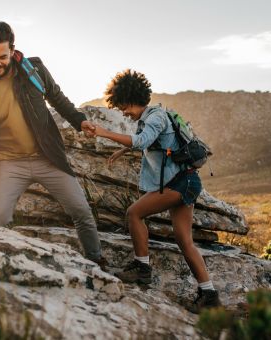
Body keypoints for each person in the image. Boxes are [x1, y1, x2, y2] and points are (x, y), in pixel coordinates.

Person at [0, 21, 106, 268]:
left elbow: (57, 98)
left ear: (12, 50)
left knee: (82, 211)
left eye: (2, 56)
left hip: (46, 158)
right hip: (7, 163)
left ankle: (96, 262)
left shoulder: (34, 71)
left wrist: (80, 121)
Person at [93, 69, 220, 309]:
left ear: (130, 99)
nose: (123, 112)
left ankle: (141, 268)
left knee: (134, 213)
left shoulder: (156, 117)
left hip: (180, 183)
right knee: (184, 241)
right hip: (187, 181)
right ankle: (210, 296)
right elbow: (149, 142)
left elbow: (142, 141)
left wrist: (104, 133)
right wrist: (123, 150)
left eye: (123, 107)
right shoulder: (152, 116)